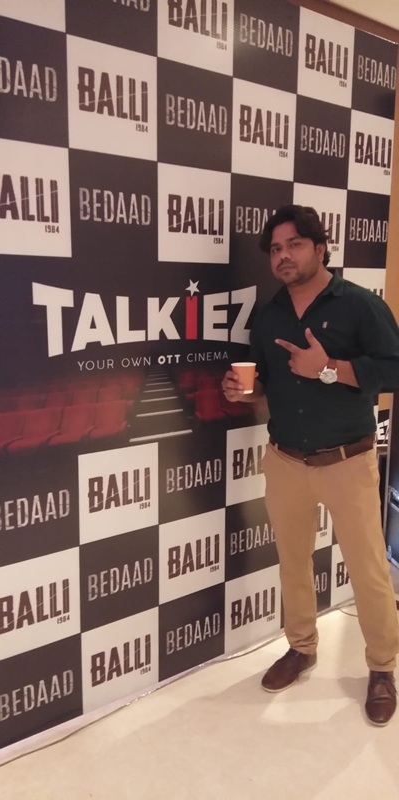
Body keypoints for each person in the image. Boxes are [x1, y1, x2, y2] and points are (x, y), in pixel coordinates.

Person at [222, 205, 399, 727]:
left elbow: (393, 370)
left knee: (368, 570)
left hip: (348, 461)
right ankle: (301, 647)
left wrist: (328, 369)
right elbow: (266, 387)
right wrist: (243, 392)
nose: (283, 256)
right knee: (293, 563)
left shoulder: (360, 305)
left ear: (320, 249)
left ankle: (382, 667)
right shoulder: (269, 314)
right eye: (276, 249)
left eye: (294, 244)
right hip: (285, 460)